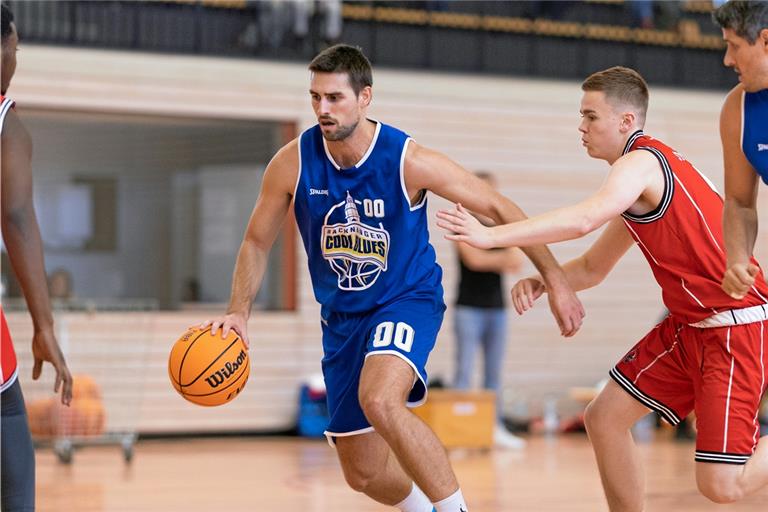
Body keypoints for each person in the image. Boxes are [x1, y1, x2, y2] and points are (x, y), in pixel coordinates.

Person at [200, 44, 584, 512]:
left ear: (365, 98)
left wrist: (557, 280)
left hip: (407, 298)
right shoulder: (293, 163)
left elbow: (499, 207)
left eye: (335, 98)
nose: (323, 108)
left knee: (381, 400)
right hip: (342, 319)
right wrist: (238, 311)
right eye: (315, 97)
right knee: (363, 473)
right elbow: (257, 242)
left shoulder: (406, 159)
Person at [436, 66, 768, 508]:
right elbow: (594, 266)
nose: (582, 126)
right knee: (605, 417)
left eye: (591, 116)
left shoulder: (642, 163)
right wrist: (544, 282)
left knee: (720, 486)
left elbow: (583, 219)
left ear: (626, 122)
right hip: (689, 327)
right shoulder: (641, 180)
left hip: (733, 326)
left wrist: (491, 235)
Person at [1, 3, 73, 511]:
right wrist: (44, 325)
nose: (16, 60)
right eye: (16, 48)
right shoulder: (6, 124)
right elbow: (18, 216)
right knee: (14, 470)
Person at [451, 171, 525, 449]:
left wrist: (494, 255)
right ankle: (458, 431)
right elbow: (474, 260)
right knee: (464, 372)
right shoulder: (462, 223)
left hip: (497, 309)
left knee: (493, 374)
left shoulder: (499, 228)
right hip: (468, 308)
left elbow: (517, 260)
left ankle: (494, 427)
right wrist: (500, 257)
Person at [714, 2, 768, 301]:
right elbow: (740, 202)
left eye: (733, 46)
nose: (727, 59)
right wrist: (737, 258)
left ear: (766, 41)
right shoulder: (738, 110)